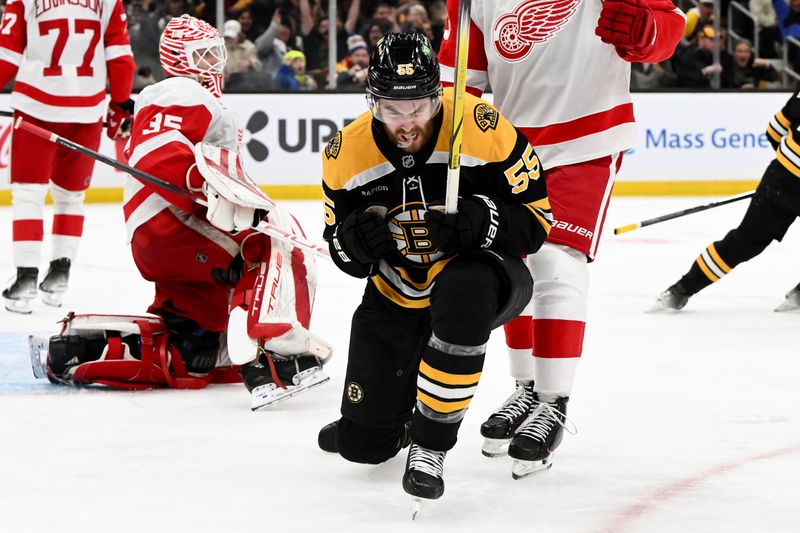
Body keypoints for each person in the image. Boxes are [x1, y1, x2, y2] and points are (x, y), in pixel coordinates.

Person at [438, 0, 685, 476]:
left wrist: (648, 30)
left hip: (588, 137)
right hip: (509, 144)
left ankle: (553, 402)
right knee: (513, 261)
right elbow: (461, 77)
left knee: (556, 261)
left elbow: (669, 29)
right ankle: (527, 387)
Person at [37, 15, 331, 409]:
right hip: (175, 221)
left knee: (194, 358)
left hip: (159, 234)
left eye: (217, 53)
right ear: (178, 59)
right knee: (273, 237)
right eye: (203, 55)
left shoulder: (178, 99)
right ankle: (276, 347)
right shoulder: (178, 91)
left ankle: (77, 350)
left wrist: (218, 194)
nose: (214, 64)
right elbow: (159, 155)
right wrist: (209, 189)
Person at [316, 32, 552, 500]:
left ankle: (430, 444)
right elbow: (341, 254)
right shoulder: (344, 154)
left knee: (464, 289)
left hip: (484, 278)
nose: (406, 122)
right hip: (396, 291)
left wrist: (484, 220)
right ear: (372, 101)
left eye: (418, 107)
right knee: (363, 447)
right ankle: (388, 423)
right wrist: (353, 243)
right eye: (391, 109)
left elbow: (538, 220)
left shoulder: (480, 126)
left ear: (436, 94)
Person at [0, 0, 136, 314]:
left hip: (36, 107)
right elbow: (121, 59)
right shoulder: (108, 2)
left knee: (28, 194)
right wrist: (119, 104)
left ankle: (25, 280)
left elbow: (6, 58)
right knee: (71, 197)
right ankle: (60, 276)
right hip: (86, 111)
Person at [653, 88, 800, 314]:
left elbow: (775, 130)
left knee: (744, 241)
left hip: (780, 178)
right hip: (783, 178)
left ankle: (679, 291)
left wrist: (787, 169)